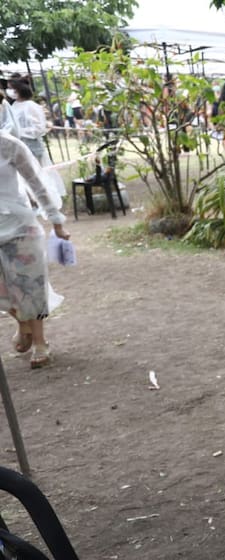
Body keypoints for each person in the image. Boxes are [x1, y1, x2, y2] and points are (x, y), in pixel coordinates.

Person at [0, 130, 68, 369]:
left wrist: (56, 220)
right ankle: (22, 321)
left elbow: (36, 184)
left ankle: (40, 342)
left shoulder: (9, 145)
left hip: (19, 226)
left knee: (30, 286)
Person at [8, 80, 63, 200]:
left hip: (32, 145)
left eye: (10, 88)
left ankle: (46, 200)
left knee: (37, 175)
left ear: (18, 90)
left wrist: (20, 131)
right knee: (24, 177)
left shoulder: (31, 106)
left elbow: (39, 128)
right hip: (18, 145)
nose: (9, 91)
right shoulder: (13, 106)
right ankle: (34, 201)